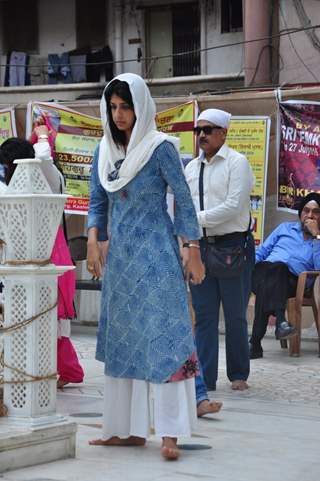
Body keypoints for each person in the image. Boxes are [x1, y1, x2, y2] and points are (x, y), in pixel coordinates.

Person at [86, 73, 205, 460]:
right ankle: (124, 430)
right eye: (113, 107)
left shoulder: (160, 148)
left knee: (164, 338)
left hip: (156, 256)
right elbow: (96, 202)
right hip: (120, 260)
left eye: (126, 106)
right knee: (123, 340)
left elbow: (184, 200)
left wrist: (192, 247)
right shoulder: (103, 153)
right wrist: (92, 240)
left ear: (141, 106)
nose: (119, 115)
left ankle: (170, 433)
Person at [0, 129, 84, 387]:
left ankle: (58, 371)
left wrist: (43, 136)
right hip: (25, 256)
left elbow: (44, 159)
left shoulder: (46, 176)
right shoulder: (13, 187)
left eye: (4, 164)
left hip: (49, 254)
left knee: (50, 317)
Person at [185, 108, 255, 392]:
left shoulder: (237, 163)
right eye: (198, 130)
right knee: (203, 316)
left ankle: (239, 374)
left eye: (208, 129)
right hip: (199, 248)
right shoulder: (191, 167)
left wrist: (195, 220)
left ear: (223, 133)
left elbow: (234, 207)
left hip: (233, 247)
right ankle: (205, 378)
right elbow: (183, 206)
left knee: (236, 314)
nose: (202, 135)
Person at [249, 192, 320, 359]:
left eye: (316, 212)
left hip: (293, 283)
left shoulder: (319, 239)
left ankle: (255, 343)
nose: (310, 215)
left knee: (276, 273)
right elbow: (262, 252)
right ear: (300, 213)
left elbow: (319, 269)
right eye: (306, 210)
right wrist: (247, 269)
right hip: (263, 272)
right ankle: (281, 321)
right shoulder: (285, 228)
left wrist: (317, 237)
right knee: (274, 269)